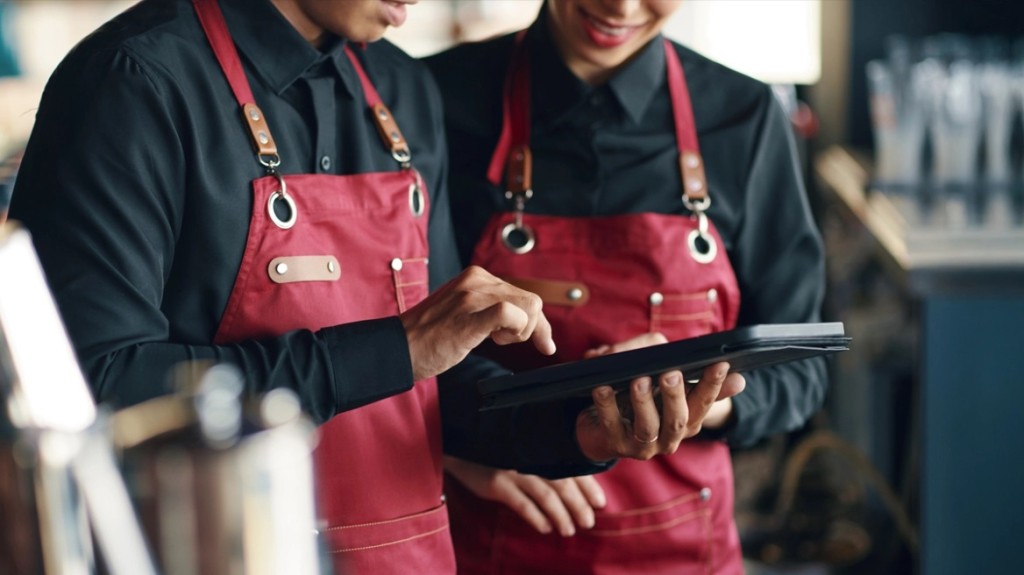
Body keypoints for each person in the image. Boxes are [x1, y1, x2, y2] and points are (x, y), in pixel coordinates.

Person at [7, 1, 745, 573]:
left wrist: (581, 424)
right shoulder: (133, 83)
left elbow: (437, 386)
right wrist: (394, 347)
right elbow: (86, 388)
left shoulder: (402, 90)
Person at [425, 0, 830, 573]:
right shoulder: (432, 97)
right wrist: (462, 448)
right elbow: (398, 347)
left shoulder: (745, 116)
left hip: (686, 553)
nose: (619, 6)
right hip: (490, 546)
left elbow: (804, 363)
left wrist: (703, 402)